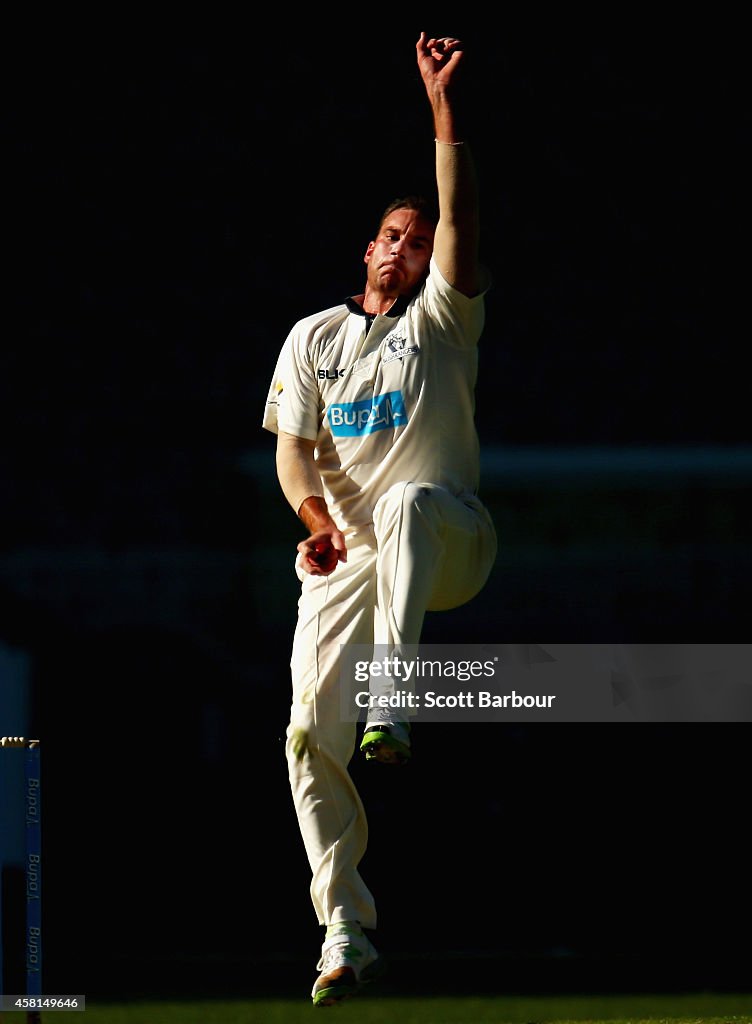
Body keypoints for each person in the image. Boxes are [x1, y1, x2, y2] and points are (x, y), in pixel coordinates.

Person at [262, 31, 497, 1007]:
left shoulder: (441, 320)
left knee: (402, 501)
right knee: (307, 735)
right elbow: (291, 450)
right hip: (348, 560)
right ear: (366, 249)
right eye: (390, 235)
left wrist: (441, 108)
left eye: (416, 236)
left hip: (449, 538)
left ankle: (394, 700)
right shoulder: (314, 337)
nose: (406, 245)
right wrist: (314, 517)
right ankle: (345, 932)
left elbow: (461, 212)